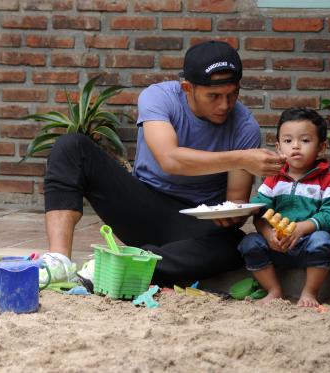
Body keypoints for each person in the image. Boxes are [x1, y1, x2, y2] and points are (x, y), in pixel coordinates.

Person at [41, 40, 286, 285]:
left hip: (194, 226)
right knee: (71, 146)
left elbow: (236, 200)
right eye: (214, 96)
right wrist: (242, 157)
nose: (224, 104)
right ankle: (59, 261)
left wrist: (232, 214)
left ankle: (126, 267)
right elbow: (169, 159)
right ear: (187, 88)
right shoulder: (159, 97)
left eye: (232, 94)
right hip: (143, 206)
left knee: (234, 245)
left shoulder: (245, 127)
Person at [237, 108, 330, 307]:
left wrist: (301, 228)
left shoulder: (329, 180)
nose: (296, 146)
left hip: (310, 245)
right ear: (279, 147)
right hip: (277, 245)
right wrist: (268, 235)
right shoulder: (273, 180)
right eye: (288, 141)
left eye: (305, 140)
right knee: (249, 242)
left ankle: (309, 292)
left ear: (321, 147)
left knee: (322, 240)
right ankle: (274, 290)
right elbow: (259, 213)